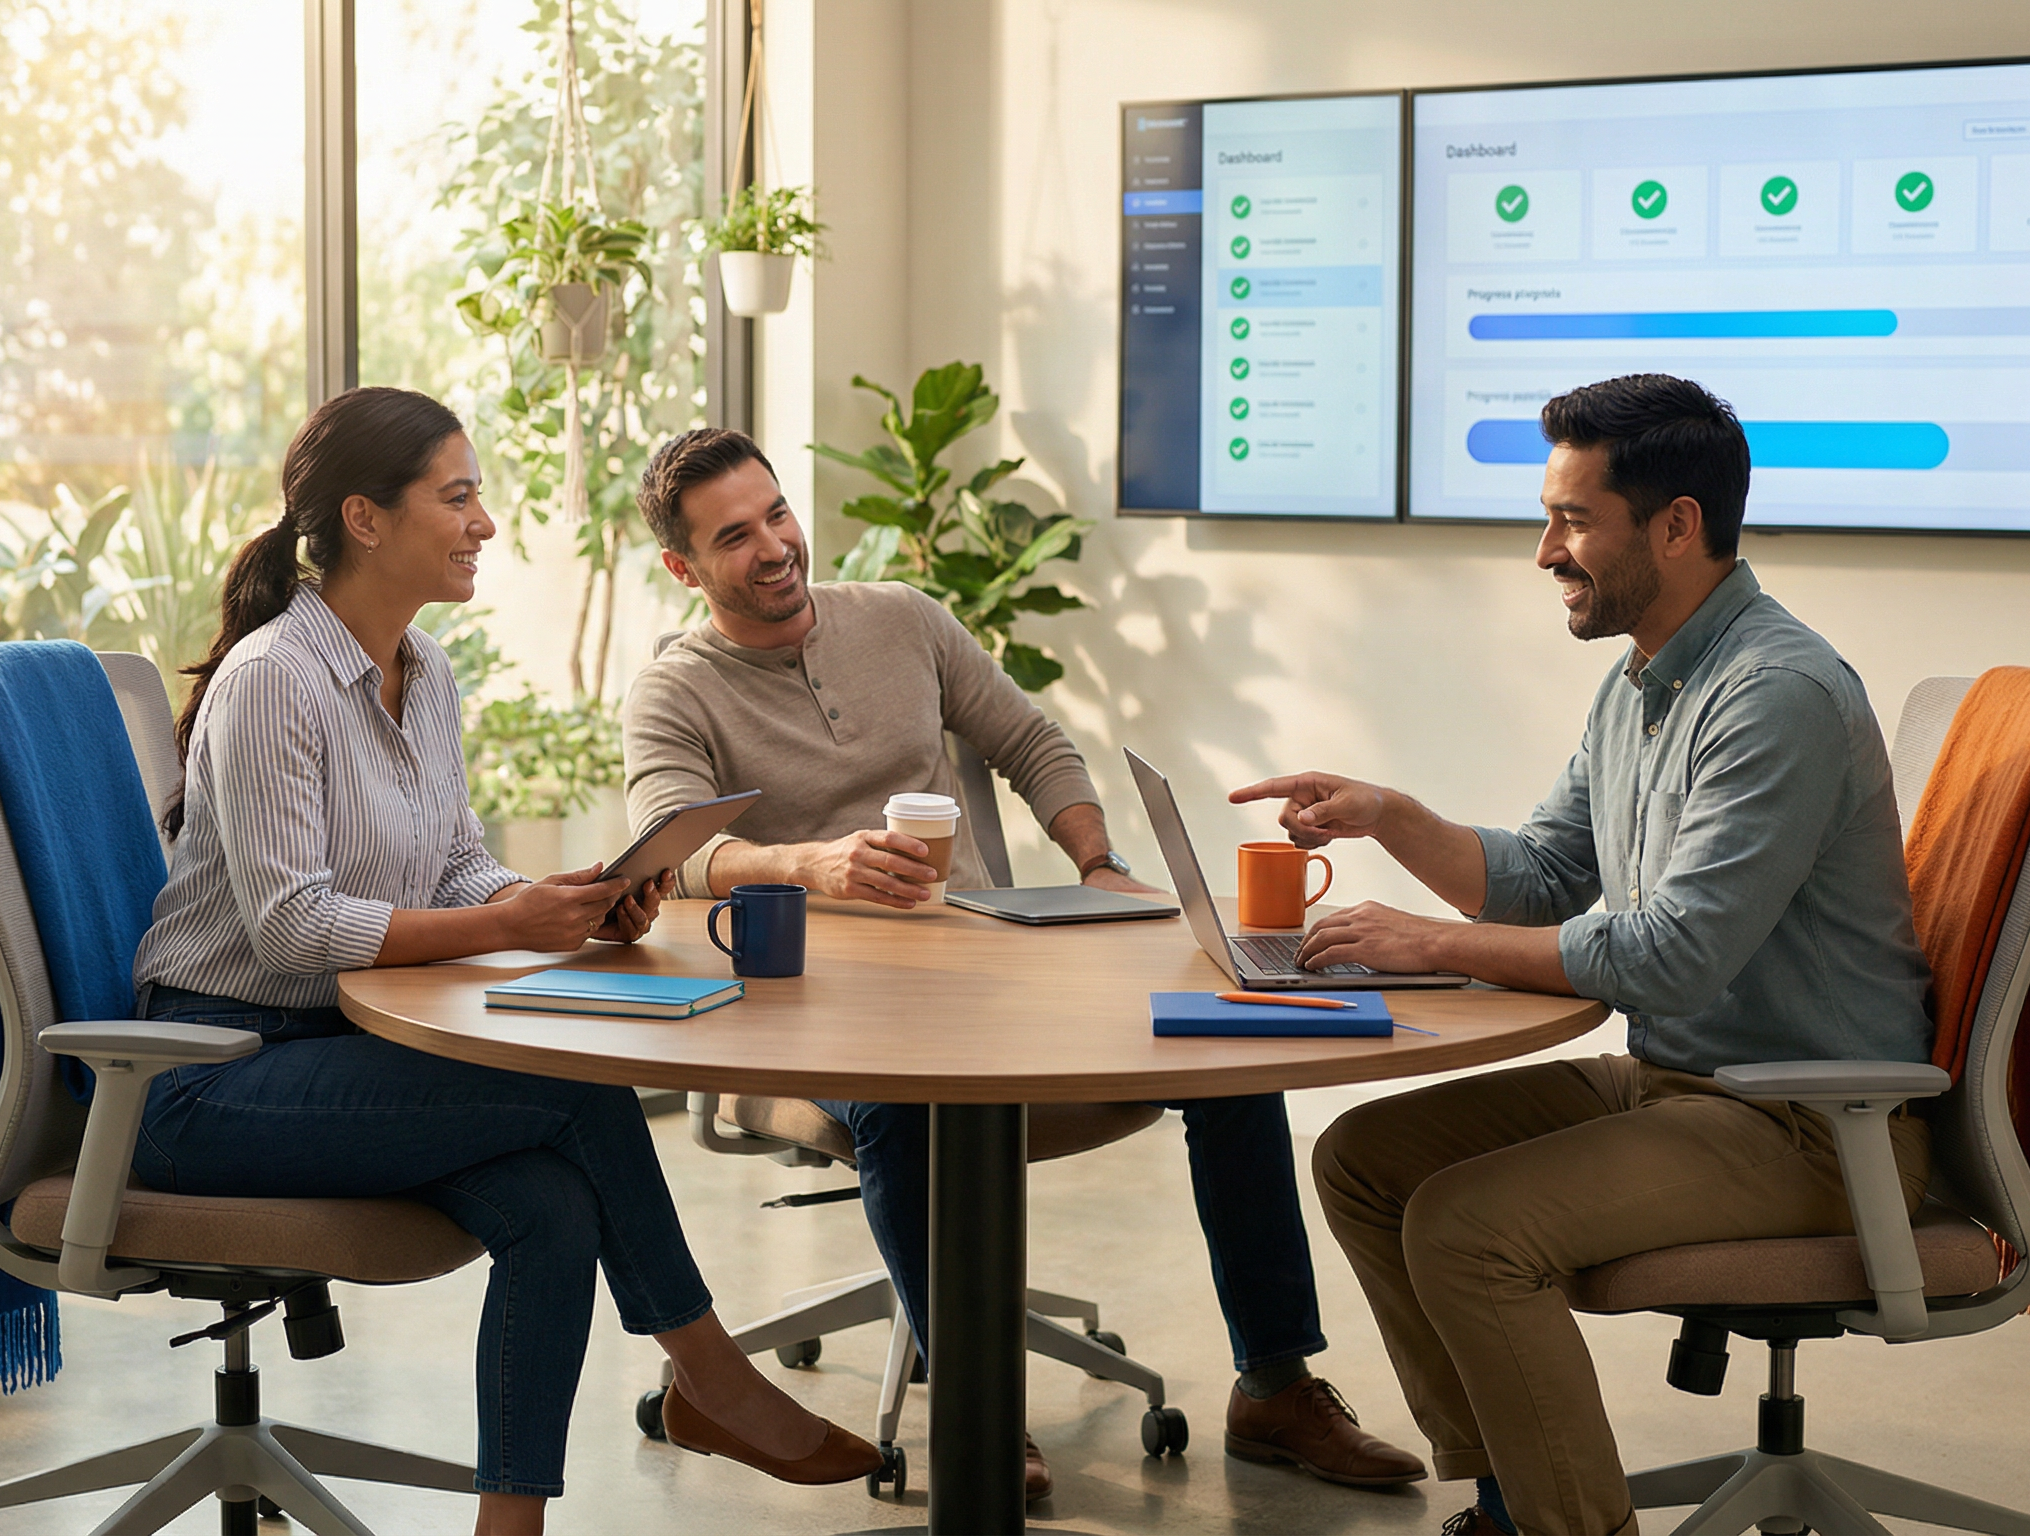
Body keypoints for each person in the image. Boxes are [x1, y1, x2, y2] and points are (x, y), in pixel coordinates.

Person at [128, 388, 884, 1536]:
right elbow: (291, 928)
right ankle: (712, 1378)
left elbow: (453, 869)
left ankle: (510, 1525)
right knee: (569, 1089)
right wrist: (505, 926)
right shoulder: (273, 681)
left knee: (548, 1209)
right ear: (367, 520)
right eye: (458, 496)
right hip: (211, 1077)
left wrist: (569, 908)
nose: (484, 522)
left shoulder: (421, 672)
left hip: (341, 1051)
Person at [620, 426, 1426, 1504]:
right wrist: (811, 862)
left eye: (777, 513)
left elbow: (1034, 744)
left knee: (1236, 1040)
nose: (774, 546)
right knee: (907, 1107)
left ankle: (1275, 1384)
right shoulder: (675, 691)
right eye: (734, 536)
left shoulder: (902, 619)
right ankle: (976, 1401)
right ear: (683, 567)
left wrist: (1098, 861)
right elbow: (676, 849)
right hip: (818, 1016)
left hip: (992, 975)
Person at [1231, 374, 1935, 1536]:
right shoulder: (1641, 682)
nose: (1544, 550)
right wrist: (1391, 817)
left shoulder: (1775, 696)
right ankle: (1514, 1497)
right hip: (1683, 1084)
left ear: (1676, 525)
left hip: (1807, 1118)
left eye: (1571, 521)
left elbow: (1670, 958)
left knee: (1468, 1228)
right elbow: (1550, 876)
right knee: (1364, 1160)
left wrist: (1427, 942)